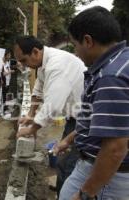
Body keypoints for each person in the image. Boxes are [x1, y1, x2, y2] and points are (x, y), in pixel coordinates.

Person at [54, 6, 129, 200]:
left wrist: (86, 193)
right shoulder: (122, 62)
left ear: (87, 41)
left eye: (75, 45)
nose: (76, 53)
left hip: (106, 176)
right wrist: (68, 140)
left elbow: (114, 148)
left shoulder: (109, 77)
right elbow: (102, 120)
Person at [14, 35, 86, 196]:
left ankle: (67, 194)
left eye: (24, 60)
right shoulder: (42, 62)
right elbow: (38, 88)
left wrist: (33, 128)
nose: (24, 65)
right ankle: (61, 190)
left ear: (35, 52)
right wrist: (31, 113)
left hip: (85, 122)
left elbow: (53, 104)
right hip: (73, 119)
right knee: (62, 162)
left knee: (72, 166)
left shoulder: (57, 65)